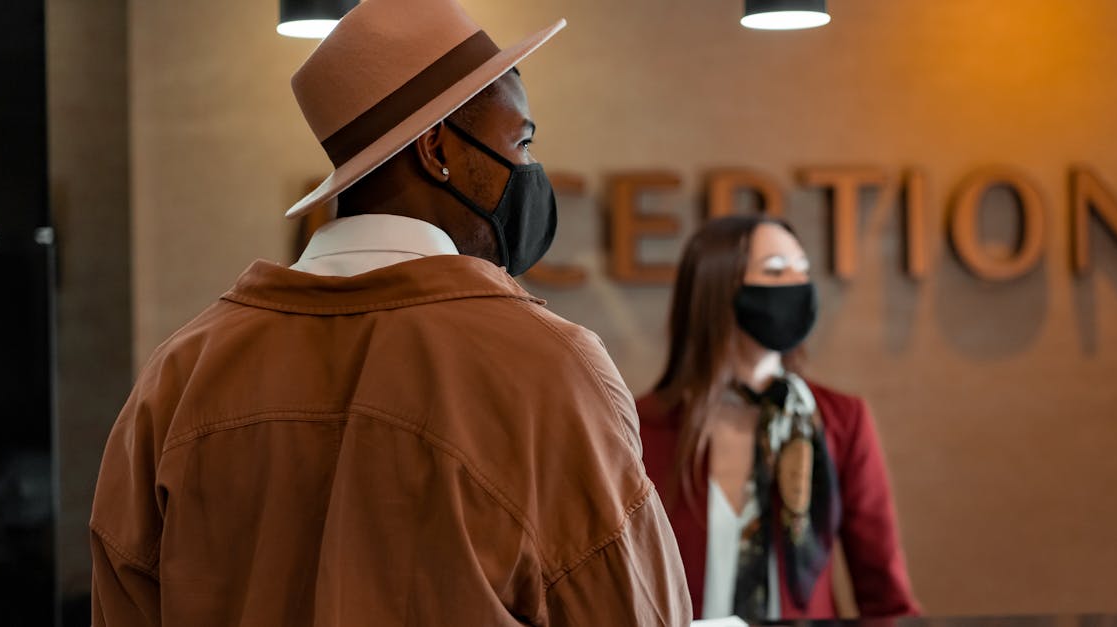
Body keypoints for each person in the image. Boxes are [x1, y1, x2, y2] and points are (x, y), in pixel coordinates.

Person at [89, 0, 691, 624]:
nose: (531, 170)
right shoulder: (548, 369)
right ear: (437, 150)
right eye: (522, 141)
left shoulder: (181, 375)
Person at [637, 215, 919, 622]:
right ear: (716, 287)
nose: (798, 284)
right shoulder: (639, 428)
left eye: (802, 270)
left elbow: (886, 596)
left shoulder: (840, 420)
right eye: (774, 270)